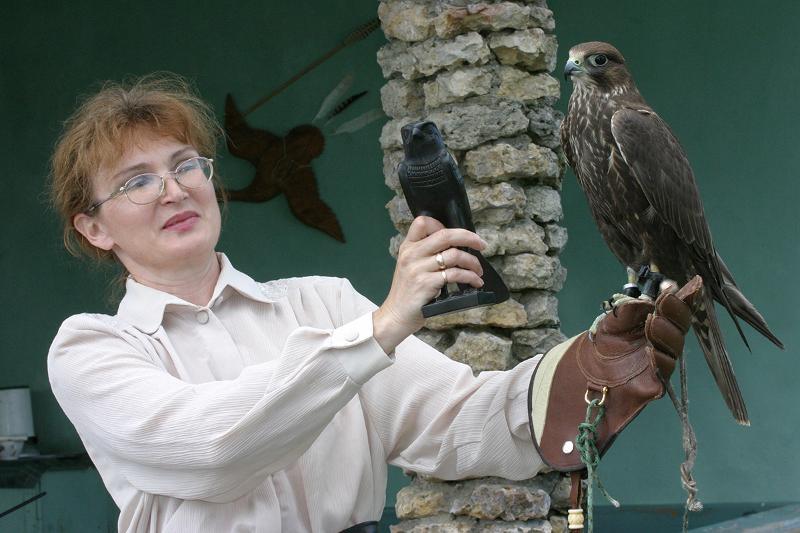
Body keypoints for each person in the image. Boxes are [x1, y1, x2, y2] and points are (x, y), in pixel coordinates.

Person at [47, 73, 696, 533]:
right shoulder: (91, 350)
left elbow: (461, 422)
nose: (173, 189)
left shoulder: (323, 303)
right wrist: (380, 327)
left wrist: (589, 372)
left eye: (186, 164)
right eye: (137, 181)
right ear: (93, 228)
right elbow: (216, 450)